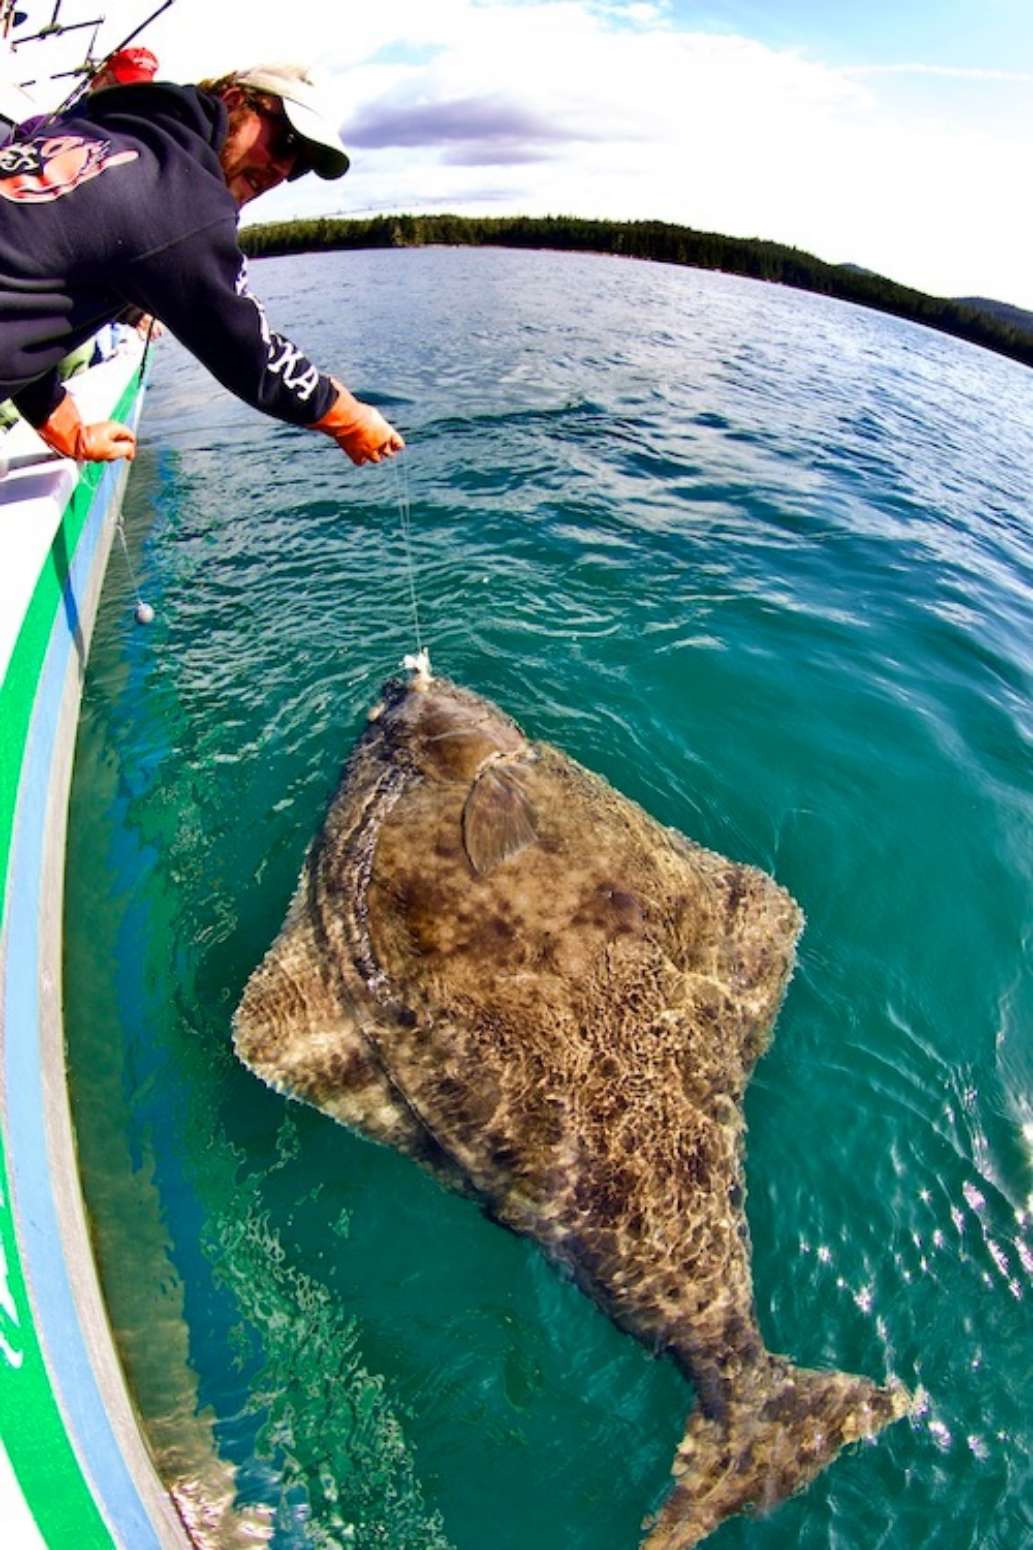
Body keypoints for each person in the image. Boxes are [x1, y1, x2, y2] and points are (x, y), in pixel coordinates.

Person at [0, 62, 404, 467]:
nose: (282, 169)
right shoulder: (182, 194)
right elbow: (247, 349)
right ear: (233, 102)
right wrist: (348, 417)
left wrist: (64, 425)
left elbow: (28, 283)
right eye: (285, 142)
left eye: (298, 165)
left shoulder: (95, 131)